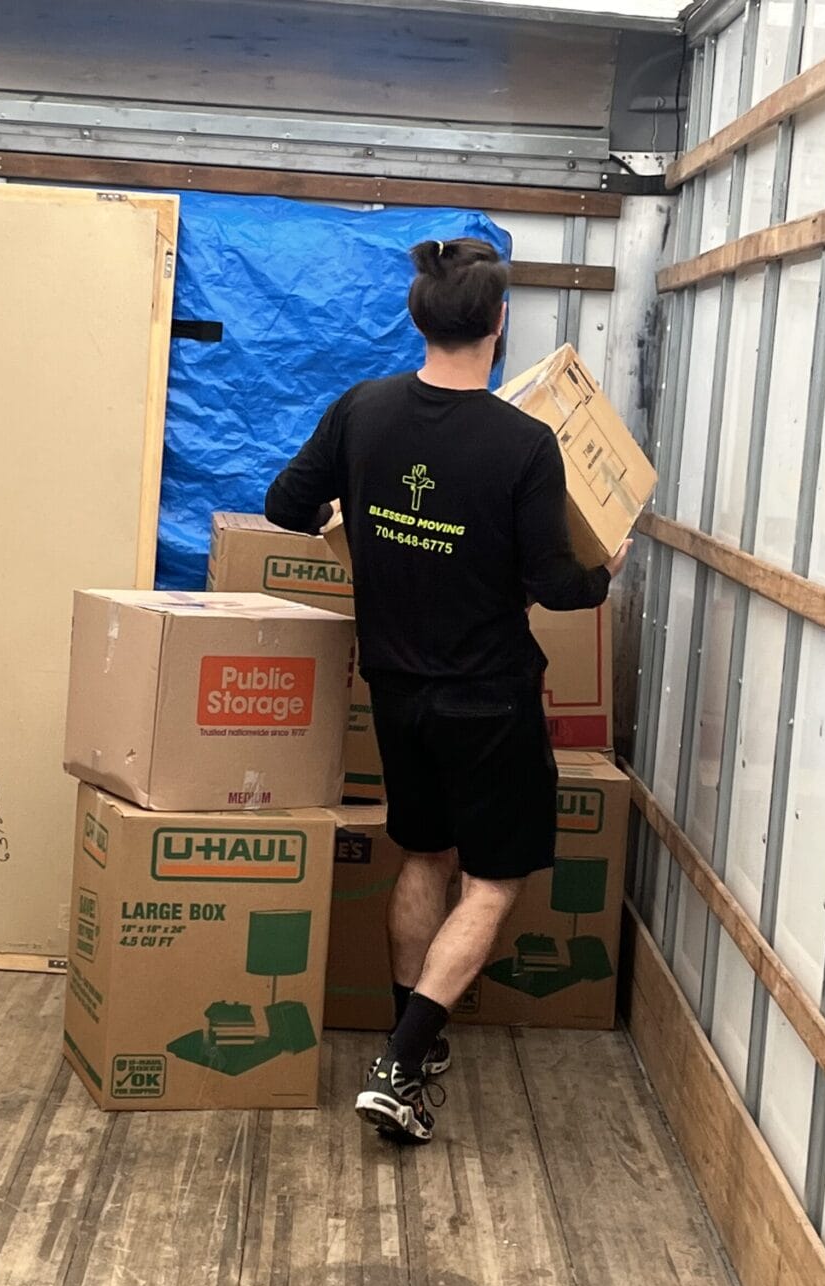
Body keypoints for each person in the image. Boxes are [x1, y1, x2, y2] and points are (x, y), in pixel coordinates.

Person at [265, 236, 631, 1143]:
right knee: (495, 882)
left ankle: (410, 1041)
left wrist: (349, 518)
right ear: (500, 324)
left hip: (395, 687)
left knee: (423, 856)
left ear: (418, 316)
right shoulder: (524, 443)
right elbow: (555, 582)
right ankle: (402, 1059)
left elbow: (283, 504)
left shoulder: (363, 410)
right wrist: (605, 571)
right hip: (491, 697)